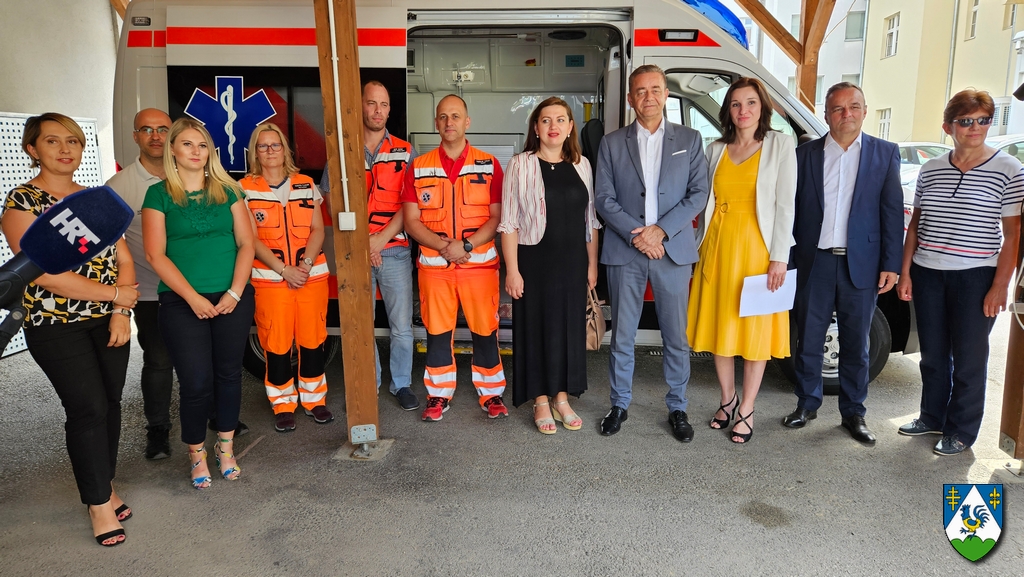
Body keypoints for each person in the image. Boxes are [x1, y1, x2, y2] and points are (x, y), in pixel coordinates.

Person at [2, 113, 140, 546]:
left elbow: (124, 258)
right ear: (32, 149)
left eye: (74, 141)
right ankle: (98, 504)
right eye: (53, 141)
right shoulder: (22, 201)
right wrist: (115, 295)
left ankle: (105, 485)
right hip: (55, 325)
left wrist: (122, 311)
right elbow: (45, 274)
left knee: (111, 404)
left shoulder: (96, 201)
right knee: (87, 409)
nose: (66, 149)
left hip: (109, 320)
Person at [896, 89, 1023, 456]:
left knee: (969, 359)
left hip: (975, 277)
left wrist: (1000, 286)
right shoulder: (930, 169)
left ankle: (962, 431)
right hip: (928, 273)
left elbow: (1013, 235)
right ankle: (931, 417)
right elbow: (916, 226)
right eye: (966, 121)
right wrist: (906, 273)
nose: (975, 127)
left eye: (983, 120)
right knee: (932, 355)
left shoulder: (1009, 169)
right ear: (948, 127)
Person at [594, 64, 709, 441]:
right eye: (641, 91)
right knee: (622, 336)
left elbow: (698, 194)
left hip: (672, 251)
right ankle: (619, 404)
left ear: (666, 94)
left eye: (655, 89)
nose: (649, 97)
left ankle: (678, 406)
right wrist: (638, 236)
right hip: (626, 251)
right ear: (630, 98)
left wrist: (660, 231)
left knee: (676, 337)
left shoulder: (690, 139)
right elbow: (604, 199)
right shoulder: (612, 143)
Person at [785, 82, 903, 444]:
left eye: (853, 107)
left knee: (856, 344)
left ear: (865, 111)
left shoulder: (884, 153)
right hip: (814, 262)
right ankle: (807, 404)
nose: (846, 114)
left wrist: (892, 263)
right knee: (808, 339)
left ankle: (853, 413)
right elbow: (791, 211)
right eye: (837, 108)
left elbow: (891, 212)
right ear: (826, 114)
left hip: (862, 264)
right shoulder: (805, 155)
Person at [142, 118, 256, 488]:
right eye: (188, 144)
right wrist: (191, 297)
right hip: (181, 302)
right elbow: (155, 254)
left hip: (232, 297)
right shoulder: (158, 195)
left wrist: (235, 292)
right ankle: (196, 453)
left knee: (229, 375)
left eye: (203, 145)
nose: (196, 151)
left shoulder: (229, 190)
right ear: (173, 150)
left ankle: (226, 448)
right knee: (195, 381)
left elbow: (247, 244)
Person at [688, 77, 797, 444]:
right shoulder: (715, 149)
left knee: (754, 333)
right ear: (728, 111)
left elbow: (786, 205)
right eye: (735, 104)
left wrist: (779, 257)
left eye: (751, 102)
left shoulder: (780, 145)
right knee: (721, 328)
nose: (743, 110)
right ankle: (727, 399)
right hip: (717, 248)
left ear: (762, 107)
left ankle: (747, 408)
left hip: (758, 252)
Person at [401, 94, 509, 421]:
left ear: (467, 122)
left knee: (485, 332)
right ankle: (438, 395)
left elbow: (497, 217)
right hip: (435, 269)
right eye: (443, 117)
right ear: (436, 123)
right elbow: (411, 220)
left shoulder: (489, 165)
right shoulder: (418, 166)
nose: (449, 122)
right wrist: (443, 246)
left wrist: (466, 246)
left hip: (479, 267)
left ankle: (491, 394)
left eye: (456, 116)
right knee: (437, 334)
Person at [499, 97, 601, 434]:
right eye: (546, 120)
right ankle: (541, 400)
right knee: (536, 329)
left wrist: (592, 265)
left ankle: (561, 398)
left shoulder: (582, 165)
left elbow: (590, 221)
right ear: (536, 127)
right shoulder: (520, 164)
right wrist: (513, 270)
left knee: (568, 330)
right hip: (534, 261)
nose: (553, 126)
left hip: (573, 262)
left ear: (570, 127)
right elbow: (509, 221)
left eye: (560, 119)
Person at [321, 81, 418, 411]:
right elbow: (331, 198)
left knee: (401, 327)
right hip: (355, 253)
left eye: (384, 104)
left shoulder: (405, 151)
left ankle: (401, 384)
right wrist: (364, 244)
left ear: (389, 110)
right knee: (360, 325)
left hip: (395, 250)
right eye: (372, 103)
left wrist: (380, 239)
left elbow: (410, 205)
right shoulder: (343, 150)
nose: (378, 110)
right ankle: (369, 385)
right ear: (360, 106)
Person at [241, 123, 332, 432]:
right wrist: (284, 270)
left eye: (275, 145)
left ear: (285, 150)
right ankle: (282, 404)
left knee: (313, 340)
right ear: (255, 152)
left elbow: (317, 229)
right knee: (277, 343)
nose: (270, 151)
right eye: (263, 146)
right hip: (271, 280)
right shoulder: (244, 188)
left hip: (311, 277)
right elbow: (250, 239)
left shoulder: (306, 183)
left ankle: (315, 400)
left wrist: (304, 264)